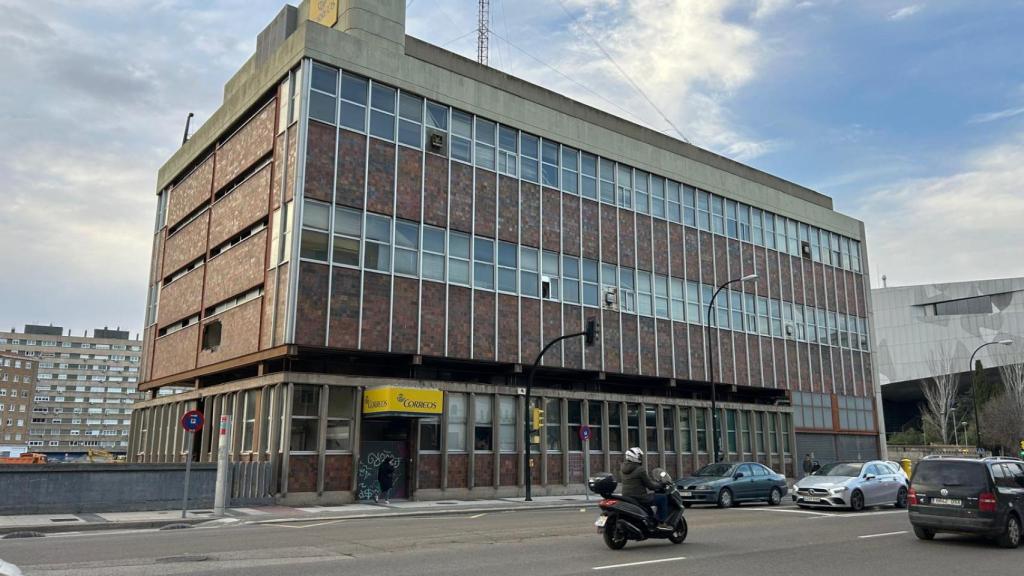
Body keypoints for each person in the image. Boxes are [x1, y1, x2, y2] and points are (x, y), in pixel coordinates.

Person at [619, 447, 669, 528]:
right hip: (640, 497)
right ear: (634, 457)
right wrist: (661, 484)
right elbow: (650, 485)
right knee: (663, 498)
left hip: (626, 496)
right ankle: (661, 522)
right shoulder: (640, 470)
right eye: (639, 456)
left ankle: (650, 518)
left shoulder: (622, 469)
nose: (640, 458)